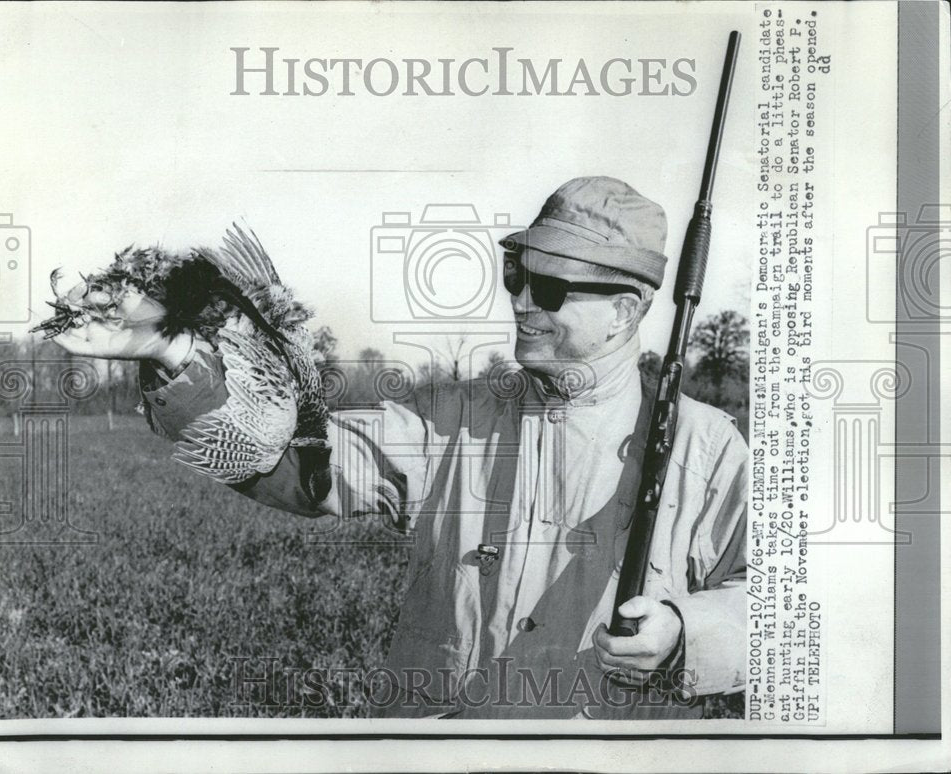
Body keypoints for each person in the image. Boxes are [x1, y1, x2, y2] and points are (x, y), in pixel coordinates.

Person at [51, 177, 747, 719]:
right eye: (516, 276)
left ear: (626, 310)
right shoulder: (453, 420)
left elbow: (785, 608)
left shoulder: (709, 451)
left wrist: (686, 632)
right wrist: (175, 354)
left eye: (551, 287)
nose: (522, 300)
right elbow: (300, 466)